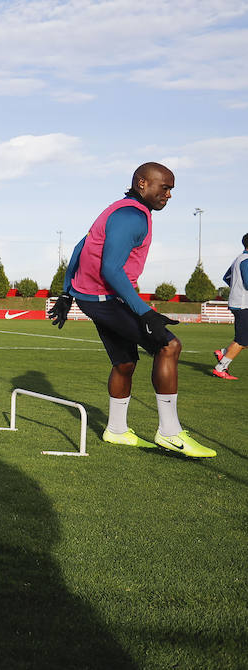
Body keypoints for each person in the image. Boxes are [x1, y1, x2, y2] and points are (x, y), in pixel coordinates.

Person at [49, 162, 215, 457]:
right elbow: (111, 269)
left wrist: (66, 291)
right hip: (105, 299)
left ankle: (115, 430)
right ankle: (170, 432)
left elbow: (80, 246)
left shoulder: (120, 208)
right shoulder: (132, 217)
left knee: (125, 363)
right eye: (164, 188)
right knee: (169, 346)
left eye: (171, 189)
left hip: (96, 298)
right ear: (142, 183)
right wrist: (145, 312)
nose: (169, 195)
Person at [211, 233, 248, 380]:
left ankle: (223, 352)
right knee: (242, 340)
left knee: (244, 339)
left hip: (239, 302)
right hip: (243, 304)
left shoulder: (239, 259)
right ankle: (220, 368)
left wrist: (235, 289)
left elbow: (226, 277)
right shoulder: (246, 260)